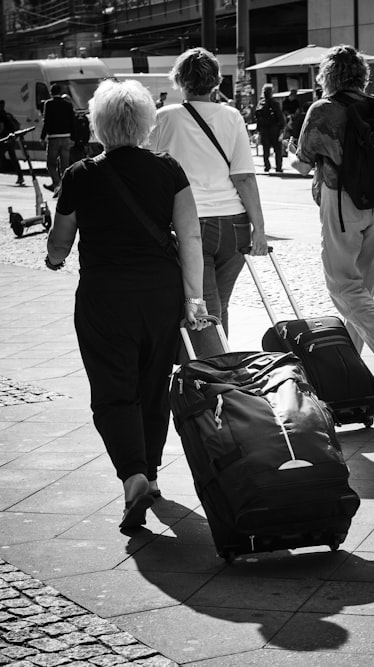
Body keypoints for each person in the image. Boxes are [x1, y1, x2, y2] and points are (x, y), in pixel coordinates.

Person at [44, 79, 210, 531]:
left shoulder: (80, 174)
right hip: (160, 295)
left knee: (113, 389)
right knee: (154, 384)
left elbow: (61, 241)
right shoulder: (169, 169)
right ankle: (151, 473)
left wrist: (53, 257)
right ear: (145, 123)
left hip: (104, 298)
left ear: (98, 124)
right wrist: (193, 298)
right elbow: (190, 236)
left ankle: (133, 474)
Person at [291, 45, 374, 382]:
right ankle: (351, 366)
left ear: (328, 76)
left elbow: (301, 165)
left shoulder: (323, 110)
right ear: (362, 75)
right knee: (362, 286)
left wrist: (293, 153)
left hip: (343, 202)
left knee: (341, 284)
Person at [148, 47, 268, 334]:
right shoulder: (232, 117)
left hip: (191, 225)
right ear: (216, 81)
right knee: (216, 306)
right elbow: (245, 178)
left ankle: (213, 371)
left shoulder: (166, 117)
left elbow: (149, 168)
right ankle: (214, 367)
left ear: (179, 80)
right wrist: (259, 229)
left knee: (204, 308)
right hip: (234, 226)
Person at [40, 83, 75, 193]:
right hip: (66, 137)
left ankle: (57, 183)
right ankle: (65, 186)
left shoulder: (49, 104)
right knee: (65, 165)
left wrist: (42, 137)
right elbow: (72, 122)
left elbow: (47, 121)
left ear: (51, 93)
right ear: (60, 92)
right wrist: (73, 137)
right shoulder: (68, 105)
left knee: (51, 164)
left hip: (53, 138)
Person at [254, 84, 284, 172]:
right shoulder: (275, 104)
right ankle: (278, 167)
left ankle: (267, 166)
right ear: (271, 93)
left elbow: (257, 117)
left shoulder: (260, 104)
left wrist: (258, 129)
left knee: (265, 149)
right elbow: (280, 117)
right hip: (274, 129)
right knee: (277, 149)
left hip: (264, 129)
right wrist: (282, 127)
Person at [0, 100, 25, 186]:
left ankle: (20, 177)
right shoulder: (8, 115)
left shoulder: (1, 115)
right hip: (12, 139)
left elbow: (1, 128)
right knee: (13, 158)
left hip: (4, 139)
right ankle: (20, 176)